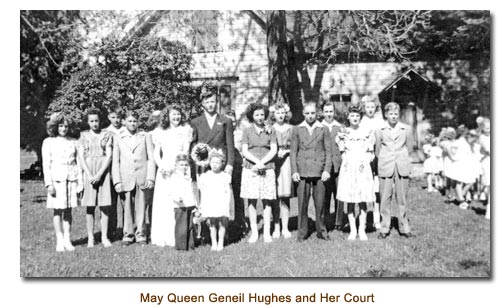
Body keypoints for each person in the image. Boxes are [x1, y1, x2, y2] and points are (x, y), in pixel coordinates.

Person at [150, 105, 193, 247]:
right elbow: (157, 153)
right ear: (167, 116)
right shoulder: (160, 131)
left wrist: (181, 167)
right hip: (165, 169)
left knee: (180, 201)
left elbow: (186, 151)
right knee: (165, 202)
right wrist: (162, 166)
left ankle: (180, 236)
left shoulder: (186, 130)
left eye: (178, 114)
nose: (176, 117)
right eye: (174, 114)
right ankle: (164, 236)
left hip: (180, 168)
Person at [290, 102, 332, 242]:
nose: (310, 116)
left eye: (313, 113)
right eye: (307, 113)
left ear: (317, 113)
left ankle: (322, 231)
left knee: (320, 204)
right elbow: (293, 152)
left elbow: (328, 151)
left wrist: (326, 170)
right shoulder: (297, 129)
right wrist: (295, 170)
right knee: (302, 204)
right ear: (303, 113)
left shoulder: (323, 129)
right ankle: (302, 233)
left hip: (319, 171)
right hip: (302, 170)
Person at [112, 110, 155, 245]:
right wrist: (117, 181)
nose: (132, 124)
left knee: (141, 206)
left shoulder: (144, 136)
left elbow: (151, 158)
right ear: (124, 121)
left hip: (141, 176)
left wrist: (150, 177)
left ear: (138, 122)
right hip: (126, 177)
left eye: (135, 121)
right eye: (129, 121)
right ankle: (128, 234)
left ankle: (141, 234)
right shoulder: (119, 137)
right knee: (127, 208)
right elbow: (116, 161)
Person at [42, 113, 83, 252]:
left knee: (69, 210)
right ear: (55, 127)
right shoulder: (49, 142)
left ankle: (67, 239)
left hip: (71, 179)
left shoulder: (73, 142)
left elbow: (78, 164)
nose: (63, 128)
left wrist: (79, 183)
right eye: (61, 125)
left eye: (66, 126)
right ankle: (59, 240)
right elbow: (46, 164)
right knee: (58, 210)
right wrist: (49, 184)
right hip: (56, 180)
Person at [374, 102, 415, 239]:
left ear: (399, 115)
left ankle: (404, 227)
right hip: (386, 165)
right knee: (385, 198)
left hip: (401, 165)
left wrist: (402, 159)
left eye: (396, 114)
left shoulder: (406, 129)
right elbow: (378, 150)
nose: (393, 116)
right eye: (390, 114)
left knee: (402, 197)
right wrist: (386, 159)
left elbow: (409, 148)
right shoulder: (380, 129)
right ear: (386, 115)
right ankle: (384, 228)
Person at [336, 105, 376, 240]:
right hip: (348, 169)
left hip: (362, 168)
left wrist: (365, 161)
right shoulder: (343, 133)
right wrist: (348, 162)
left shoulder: (367, 132)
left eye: (357, 116)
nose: (355, 118)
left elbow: (371, 154)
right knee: (350, 200)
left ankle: (362, 229)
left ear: (361, 117)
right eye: (352, 115)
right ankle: (353, 229)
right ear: (348, 117)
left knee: (363, 200)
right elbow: (342, 152)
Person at [241, 103, 278, 243]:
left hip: (267, 167)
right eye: (257, 114)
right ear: (252, 116)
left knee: (267, 200)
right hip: (251, 167)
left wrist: (263, 163)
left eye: (262, 114)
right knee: (251, 200)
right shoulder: (247, 130)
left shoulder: (270, 130)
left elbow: (273, 149)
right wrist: (256, 163)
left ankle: (267, 232)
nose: (260, 117)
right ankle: (255, 232)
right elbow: (245, 150)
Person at [77, 108, 113, 248]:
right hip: (89, 172)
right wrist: (90, 175)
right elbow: (81, 157)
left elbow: (109, 155)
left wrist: (99, 174)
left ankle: (104, 237)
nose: (94, 124)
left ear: (100, 121)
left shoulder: (106, 135)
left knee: (104, 206)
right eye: (91, 121)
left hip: (102, 171)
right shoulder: (83, 136)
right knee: (90, 206)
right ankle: (91, 238)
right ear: (88, 122)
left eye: (96, 121)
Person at [191, 86, 235, 177]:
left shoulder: (226, 121)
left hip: (220, 163)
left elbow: (230, 146)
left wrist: (229, 165)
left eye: (212, 101)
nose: (210, 105)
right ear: (202, 104)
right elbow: (193, 145)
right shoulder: (195, 122)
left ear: (216, 102)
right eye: (207, 102)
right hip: (202, 164)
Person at [359, 95, 384, 229]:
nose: (370, 110)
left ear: (376, 108)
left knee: (377, 189)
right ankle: (363, 218)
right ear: (364, 108)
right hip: (365, 158)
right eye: (367, 107)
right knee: (364, 187)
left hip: (378, 159)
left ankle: (376, 218)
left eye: (372, 107)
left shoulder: (380, 122)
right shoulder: (361, 121)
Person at [198, 149, 232, 251]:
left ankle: (221, 241)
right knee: (212, 223)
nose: (215, 165)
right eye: (213, 162)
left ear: (222, 164)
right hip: (211, 201)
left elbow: (228, 191)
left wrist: (228, 203)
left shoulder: (225, 176)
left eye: (217, 163)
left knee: (222, 222)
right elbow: (202, 191)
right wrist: (202, 204)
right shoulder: (206, 176)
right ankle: (214, 242)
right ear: (209, 162)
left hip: (221, 201)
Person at [321, 101, 344, 231]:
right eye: (326, 112)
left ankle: (339, 222)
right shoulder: (319, 127)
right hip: (324, 167)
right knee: (325, 195)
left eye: (331, 111)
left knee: (339, 194)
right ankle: (325, 221)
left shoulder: (340, 127)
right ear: (322, 113)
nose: (329, 114)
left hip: (338, 166)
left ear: (334, 112)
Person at [272, 102, 293, 239]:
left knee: (284, 196)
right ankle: (276, 227)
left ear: (286, 114)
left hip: (286, 162)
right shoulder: (270, 128)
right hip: (273, 162)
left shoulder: (291, 128)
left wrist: (286, 151)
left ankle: (285, 227)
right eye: (277, 113)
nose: (280, 115)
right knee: (273, 196)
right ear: (273, 115)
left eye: (282, 113)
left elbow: (296, 146)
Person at [169, 154, 198, 250]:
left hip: (190, 204)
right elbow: (172, 191)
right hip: (180, 205)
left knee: (190, 225)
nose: (184, 167)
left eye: (186, 165)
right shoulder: (174, 177)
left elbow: (191, 190)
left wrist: (195, 203)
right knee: (181, 226)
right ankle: (181, 246)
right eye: (181, 165)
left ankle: (190, 245)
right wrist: (177, 198)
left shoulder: (188, 177)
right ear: (176, 166)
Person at [104, 105, 125, 240]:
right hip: (109, 171)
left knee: (125, 202)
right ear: (108, 117)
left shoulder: (125, 130)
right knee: (111, 202)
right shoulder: (106, 132)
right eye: (113, 117)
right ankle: (111, 231)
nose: (116, 120)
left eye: (118, 117)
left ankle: (127, 229)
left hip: (124, 169)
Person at [447, 125, 477, 210]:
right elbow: (449, 148)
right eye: (466, 133)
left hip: (466, 164)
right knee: (459, 182)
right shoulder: (458, 142)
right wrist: (453, 158)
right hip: (459, 163)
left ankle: (461, 196)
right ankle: (461, 200)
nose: (467, 134)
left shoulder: (466, 141)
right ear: (462, 133)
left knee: (471, 181)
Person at [478, 118, 490, 219]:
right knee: (489, 185)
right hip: (487, 162)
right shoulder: (482, 138)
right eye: (487, 128)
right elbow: (488, 149)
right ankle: (489, 210)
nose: (489, 129)